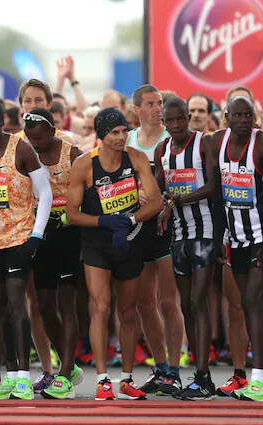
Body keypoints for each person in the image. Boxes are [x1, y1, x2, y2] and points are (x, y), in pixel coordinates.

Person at [66, 107, 163, 401]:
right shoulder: (84, 164)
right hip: (96, 243)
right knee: (100, 307)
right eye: (114, 133)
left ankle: (127, 379)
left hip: (129, 240)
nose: (122, 137)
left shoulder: (136, 158)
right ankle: (102, 379)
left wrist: (130, 221)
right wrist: (103, 222)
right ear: (101, 136)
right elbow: (72, 214)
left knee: (128, 311)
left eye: (124, 131)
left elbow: (156, 202)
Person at [0, 99, 53, 401]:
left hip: (19, 237)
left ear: (2, 122)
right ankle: (11, 373)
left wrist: (36, 237)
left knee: (17, 303)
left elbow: (45, 193)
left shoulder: (22, 149)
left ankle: (25, 378)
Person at [155, 98, 217, 399]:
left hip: (205, 231)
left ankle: (204, 377)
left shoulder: (204, 143)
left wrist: (178, 200)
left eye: (181, 119)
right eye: (171, 120)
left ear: (189, 118)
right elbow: (159, 188)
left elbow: (213, 186)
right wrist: (161, 204)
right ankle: (199, 374)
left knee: (198, 301)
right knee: (187, 307)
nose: (177, 125)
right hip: (178, 235)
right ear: (163, 122)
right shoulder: (162, 150)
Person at [22, 108, 85, 400]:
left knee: (67, 302)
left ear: (51, 131)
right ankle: (68, 365)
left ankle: (65, 372)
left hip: (70, 234)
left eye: (39, 139)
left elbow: (87, 194)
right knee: (44, 305)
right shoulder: (26, 154)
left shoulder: (72, 154)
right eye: (30, 139)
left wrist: (69, 217)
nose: (34, 144)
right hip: (40, 234)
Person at [127, 85, 184, 395]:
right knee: (144, 302)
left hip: (166, 224)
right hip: (138, 226)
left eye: (160, 103)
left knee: (168, 301)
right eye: (150, 104)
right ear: (136, 109)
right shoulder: (129, 140)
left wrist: (166, 202)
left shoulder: (170, 139)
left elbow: (181, 181)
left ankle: (175, 370)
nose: (158, 109)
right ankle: (160, 367)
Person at [214, 97, 263, 402]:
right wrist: (220, 237)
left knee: (254, 304)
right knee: (246, 306)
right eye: (238, 115)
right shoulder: (218, 143)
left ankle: (258, 379)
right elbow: (219, 195)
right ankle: (250, 376)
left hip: (260, 238)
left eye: (249, 115)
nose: (244, 120)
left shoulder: (259, 143)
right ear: (227, 117)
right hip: (235, 240)